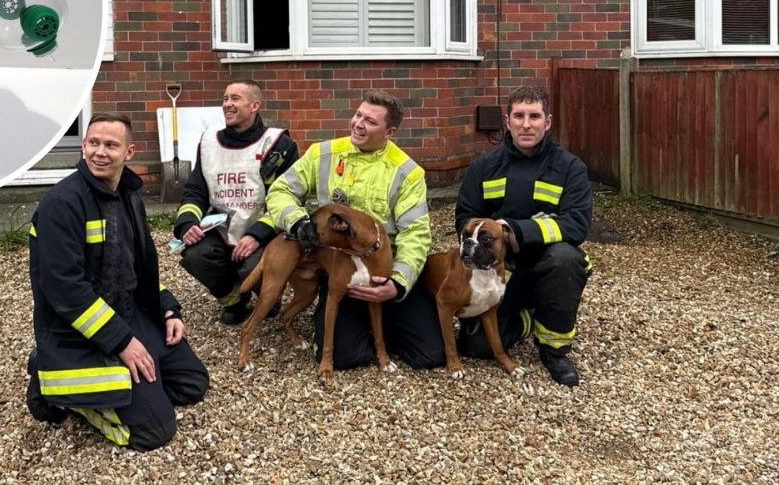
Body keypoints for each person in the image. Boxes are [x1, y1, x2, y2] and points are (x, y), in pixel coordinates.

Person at [26, 113, 209, 450]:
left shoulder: (128, 197)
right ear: (83, 146)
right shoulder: (61, 205)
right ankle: (51, 385)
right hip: (76, 335)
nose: (100, 152)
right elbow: (64, 289)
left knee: (191, 384)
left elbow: (138, 269)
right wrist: (122, 342)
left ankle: (132, 388)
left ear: (129, 152)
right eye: (93, 143)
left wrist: (167, 308)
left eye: (111, 145)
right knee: (154, 431)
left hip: (126, 315)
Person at [266, 90, 444, 370]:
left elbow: (416, 234)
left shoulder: (407, 172)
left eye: (370, 121)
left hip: (385, 272)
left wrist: (397, 284)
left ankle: (383, 320)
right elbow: (281, 190)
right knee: (345, 357)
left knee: (430, 356)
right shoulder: (322, 153)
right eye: (358, 115)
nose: (358, 124)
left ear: (389, 132)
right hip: (341, 269)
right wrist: (298, 222)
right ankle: (355, 325)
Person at [454, 85, 592, 387]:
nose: (526, 124)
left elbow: (576, 224)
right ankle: (527, 319)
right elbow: (464, 218)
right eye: (518, 116)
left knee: (567, 258)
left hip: (547, 266)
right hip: (499, 270)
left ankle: (554, 349)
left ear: (548, 121)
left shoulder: (570, 168)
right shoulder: (484, 166)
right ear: (507, 121)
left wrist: (516, 230)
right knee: (475, 347)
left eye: (534, 116)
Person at [174, 79, 299, 325]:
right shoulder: (208, 143)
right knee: (196, 256)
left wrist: (257, 235)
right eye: (225, 98)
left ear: (255, 105)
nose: (227, 104)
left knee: (253, 266)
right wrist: (187, 223)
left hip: (266, 231)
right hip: (220, 229)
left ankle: (269, 297)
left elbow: (289, 198)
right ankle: (234, 300)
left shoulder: (278, 145)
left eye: (235, 99)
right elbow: (195, 191)